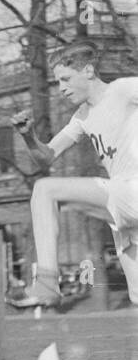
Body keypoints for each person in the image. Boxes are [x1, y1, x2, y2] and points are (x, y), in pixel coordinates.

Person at [9, 39, 138, 308]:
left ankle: (46, 285)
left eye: (66, 79)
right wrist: (29, 137)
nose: (61, 89)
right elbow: (47, 157)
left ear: (88, 71)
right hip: (123, 208)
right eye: (57, 82)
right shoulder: (82, 116)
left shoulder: (123, 90)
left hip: (132, 191)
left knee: (44, 190)